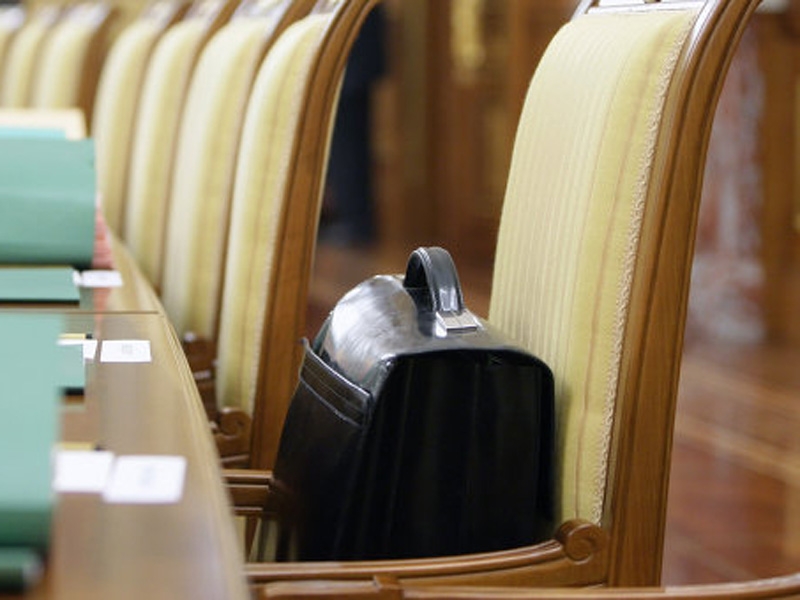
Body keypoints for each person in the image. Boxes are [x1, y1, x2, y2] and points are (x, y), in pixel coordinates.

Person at [319, 5, 387, 246]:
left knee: (350, 146)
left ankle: (356, 222)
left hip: (353, 57)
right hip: (350, 58)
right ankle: (351, 218)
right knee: (346, 145)